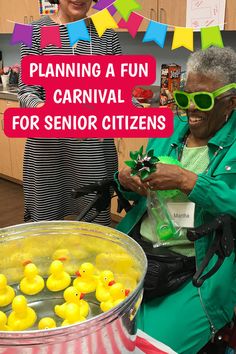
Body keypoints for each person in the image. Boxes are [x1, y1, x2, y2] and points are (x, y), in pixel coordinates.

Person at [116, 46, 236, 354]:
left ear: (230, 103)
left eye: (204, 100)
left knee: (147, 347)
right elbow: (139, 171)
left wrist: (187, 181)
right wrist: (127, 179)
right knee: (99, 328)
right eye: (185, 97)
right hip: (140, 253)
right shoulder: (169, 127)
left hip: (198, 268)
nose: (190, 109)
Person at [18, 0, 122, 224]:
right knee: (45, 225)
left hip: (93, 152)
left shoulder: (107, 35)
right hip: (48, 153)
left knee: (94, 225)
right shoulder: (35, 32)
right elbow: (27, 92)